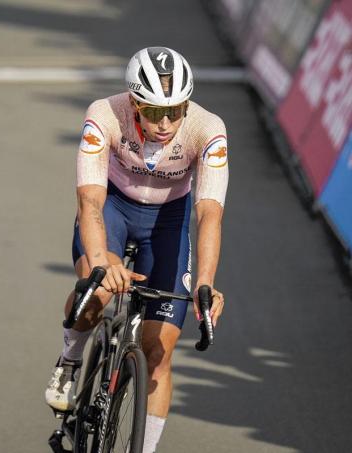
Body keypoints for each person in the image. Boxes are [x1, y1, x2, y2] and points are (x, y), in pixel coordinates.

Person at [44, 47, 227, 452]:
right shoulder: (105, 114)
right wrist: (98, 263)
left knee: (159, 349)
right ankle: (71, 359)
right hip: (112, 208)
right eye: (154, 112)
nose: (165, 124)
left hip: (168, 220)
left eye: (175, 111)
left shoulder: (207, 128)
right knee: (98, 293)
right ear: (134, 102)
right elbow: (90, 201)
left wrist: (206, 283)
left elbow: (209, 214)